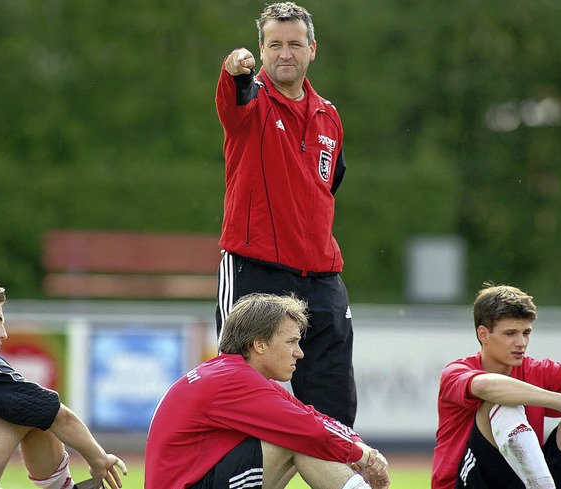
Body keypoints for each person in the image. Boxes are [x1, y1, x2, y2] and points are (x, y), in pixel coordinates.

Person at [214, 1, 357, 428]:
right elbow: (233, 99)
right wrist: (234, 71)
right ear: (260, 49)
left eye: (295, 44)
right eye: (274, 44)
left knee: (335, 408)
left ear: (313, 49)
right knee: (241, 396)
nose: (285, 53)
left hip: (321, 277)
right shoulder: (250, 98)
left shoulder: (328, 115)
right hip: (256, 273)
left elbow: (328, 185)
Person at [145, 293, 390, 489]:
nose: (299, 352)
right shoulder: (234, 379)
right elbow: (308, 430)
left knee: (301, 433)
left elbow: (311, 415)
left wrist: (361, 447)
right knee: (298, 439)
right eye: (291, 342)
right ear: (260, 344)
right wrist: (362, 456)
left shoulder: (232, 374)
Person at [0, 278, 127, 489]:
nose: (3, 333)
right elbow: (54, 413)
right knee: (31, 406)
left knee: (25, 403)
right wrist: (98, 458)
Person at [431, 283, 561, 489]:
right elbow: (485, 386)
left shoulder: (539, 370)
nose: (521, 342)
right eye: (510, 333)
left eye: (526, 332)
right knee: (499, 403)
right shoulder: (455, 372)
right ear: (483, 334)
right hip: (465, 483)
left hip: (520, 481)